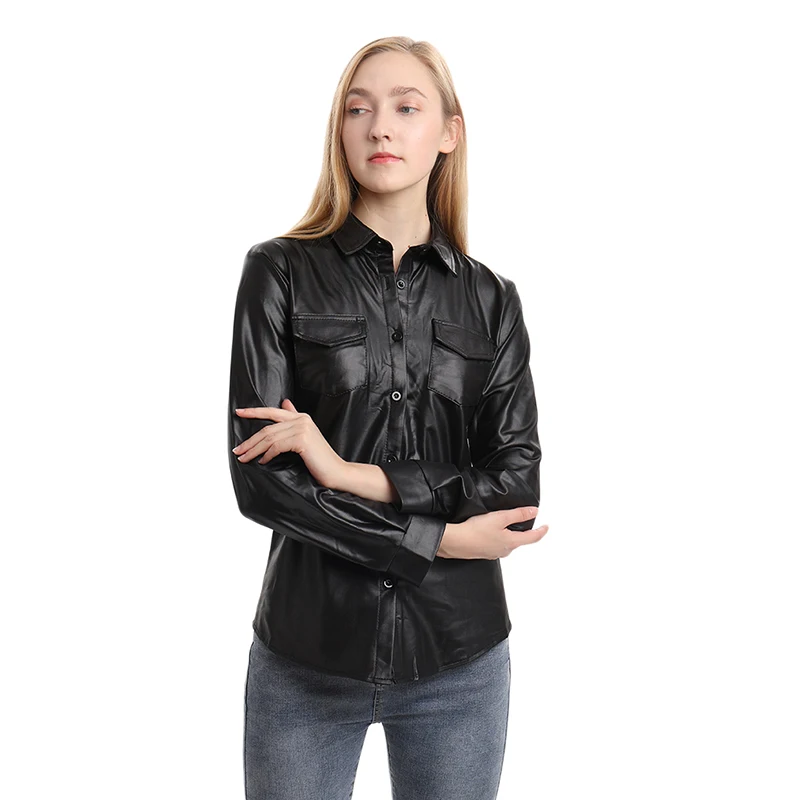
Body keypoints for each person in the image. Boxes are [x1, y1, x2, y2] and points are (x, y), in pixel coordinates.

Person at [227, 35, 549, 800]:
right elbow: (263, 485)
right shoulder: (278, 272)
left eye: (407, 108)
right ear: (339, 131)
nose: (380, 127)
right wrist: (440, 538)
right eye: (358, 108)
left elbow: (515, 482)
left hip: (460, 661)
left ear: (448, 134)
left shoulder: (492, 300)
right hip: (305, 658)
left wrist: (349, 474)